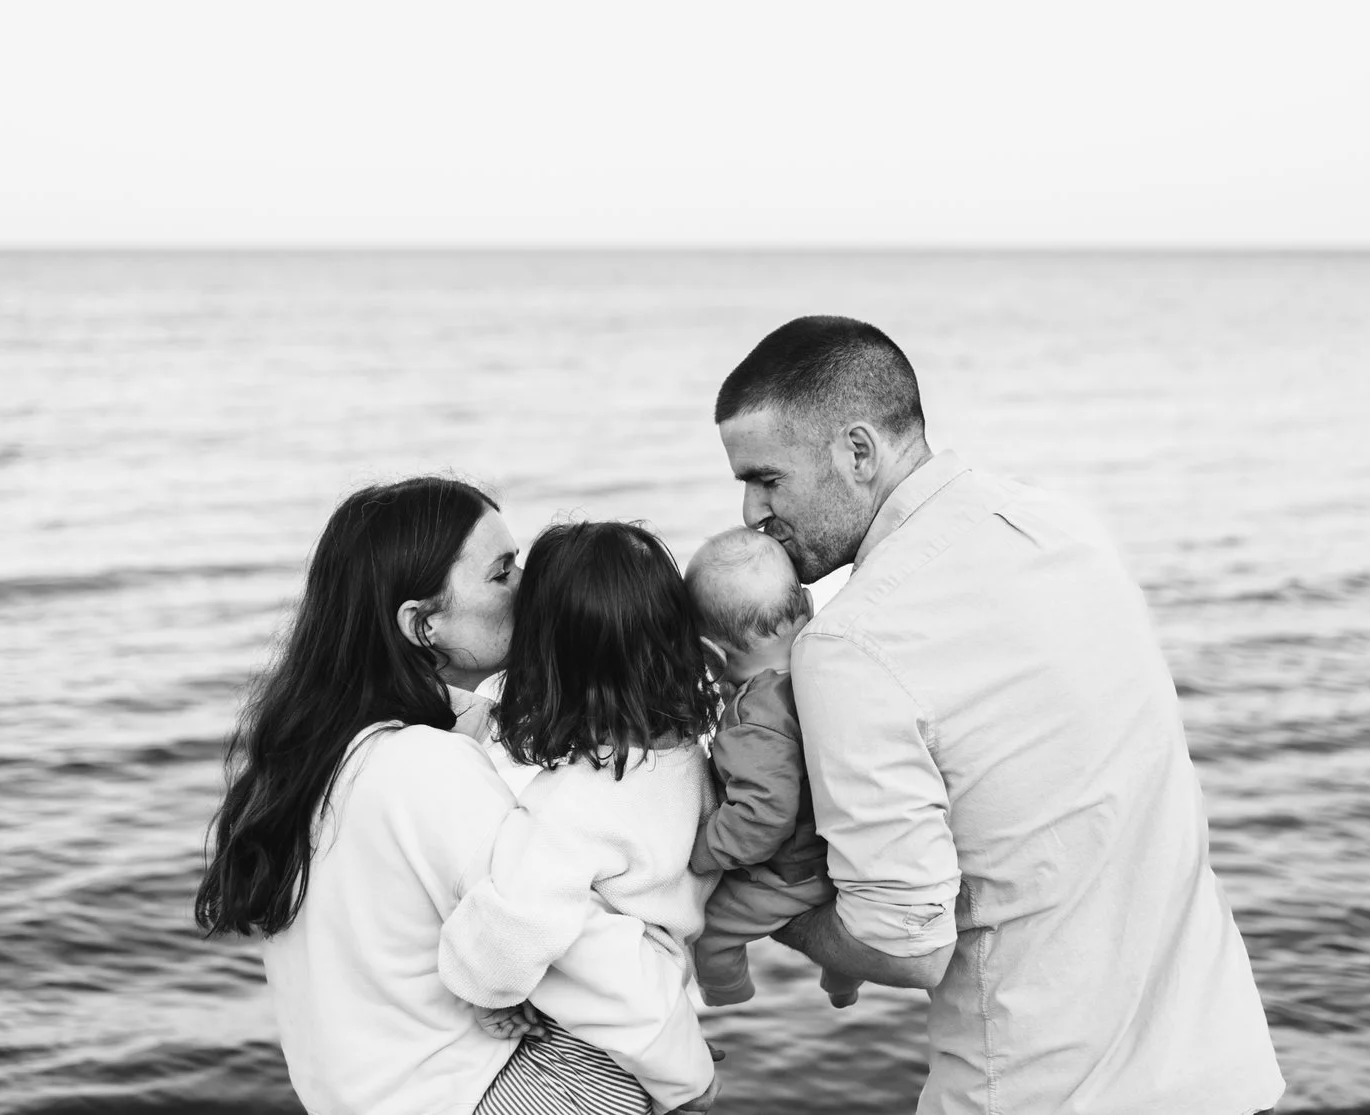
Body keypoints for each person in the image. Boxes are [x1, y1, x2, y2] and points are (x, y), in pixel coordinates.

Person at [715, 317, 1285, 1115]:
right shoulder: (1066, 526)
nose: (749, 511)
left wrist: (768, 912)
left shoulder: (851, 642)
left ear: (857, 452)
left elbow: (905, 942)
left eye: (766, 478)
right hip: (1219, 1069)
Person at [194, 479, 717, 1115]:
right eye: (502, 573)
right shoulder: (426, 768)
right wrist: (689, 1078)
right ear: (422, 625)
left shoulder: (320, 757)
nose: (530, 587)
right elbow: (591, 963)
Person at [437, 523, 718, 1031]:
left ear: (547, 663)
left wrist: (483, 991)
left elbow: (513, 928)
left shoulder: (574, 802)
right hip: (669, 1008)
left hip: (590, 1050)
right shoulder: (692, 762)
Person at [679, 527, 861, 1011]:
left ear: (709, 655)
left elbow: (763, 817)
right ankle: (843, 986)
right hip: (843, 855)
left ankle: (726, 999)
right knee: (843, 922)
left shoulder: (754, 720)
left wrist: (702, 852)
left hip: (792, 874)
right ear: (806, 604)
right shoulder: (830, 669)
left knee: (708, 926)